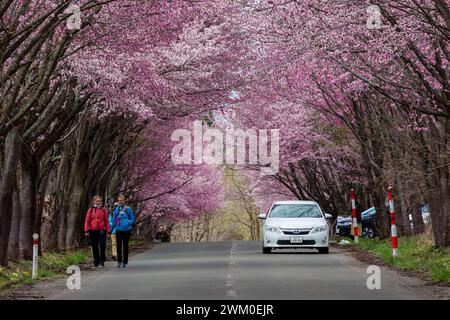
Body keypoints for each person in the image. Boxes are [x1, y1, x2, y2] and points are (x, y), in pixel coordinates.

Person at [84, 195, 110, 268]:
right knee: (94, 246)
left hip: (102, 230)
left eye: (99, 201)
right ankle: (96, 262)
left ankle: (102, 260)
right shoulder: (90, 210)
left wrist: (108, 231)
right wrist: (86, 230)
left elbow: (106, 221)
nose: (98, 202)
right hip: (92, 231)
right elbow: (87, 221)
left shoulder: (104, 209)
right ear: (93, 202)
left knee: (102, 245)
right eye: (97, 201)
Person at [111, 195, 135, 268]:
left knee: (125, 246)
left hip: (126, 230)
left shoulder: (128, 209)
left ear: (124, 201)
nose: (120, 202)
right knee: (118, 246)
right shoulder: (116, 210)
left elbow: (133, 219)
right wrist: (110, 230)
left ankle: (125, 261)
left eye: (121, 200)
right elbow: (114, 220)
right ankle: (119, 261)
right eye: (119, 200)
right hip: (118, 230)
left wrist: (127, 222)